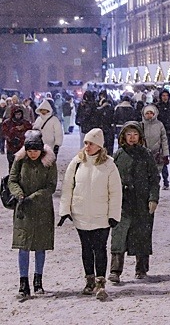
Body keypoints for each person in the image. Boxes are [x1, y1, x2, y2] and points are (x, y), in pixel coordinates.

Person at [58, 128, 122, 300]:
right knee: (86, 249)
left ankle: (101, 283)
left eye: (91, 143)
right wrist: (65, 210)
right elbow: (67, 187)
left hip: (101, 216)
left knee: (100, 249)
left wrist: (114, 214)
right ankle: (89, 280)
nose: (87, 146)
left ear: (99, 146)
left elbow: (115, 192)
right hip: (81, 214)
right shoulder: (77, 162)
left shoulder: (109, 164)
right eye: (86, 143)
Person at [8, 130, 57, 299]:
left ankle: (38, 280)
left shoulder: (49, 162)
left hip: (42, 209)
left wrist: (35, 197)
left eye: (35, 151)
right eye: (30, 151)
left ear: (41, 150)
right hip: (23, 209)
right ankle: (23, 282)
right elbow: (12, 180)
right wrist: (19, 194)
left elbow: (51, 186)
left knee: (40, 246)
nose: (32, 154)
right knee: (23, 246)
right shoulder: (20, 160)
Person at [109, 121, 160, 282]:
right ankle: (115, 270)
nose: (132, 138)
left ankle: (142, 268)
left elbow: (154, 179)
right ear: (123, 136)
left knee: (142, 235)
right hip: (122, 203)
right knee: (119, 235)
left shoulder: (146, 154)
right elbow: (110, 178)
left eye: (135, 134)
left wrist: (153, 198)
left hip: (141, 202)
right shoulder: (118, 155)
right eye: (129, 134)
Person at [156, 89, 170, 190]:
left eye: (166, 95)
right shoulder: (157, 107)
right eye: (163, 95)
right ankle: (165, 180)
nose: (165, 97)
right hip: (161, 135)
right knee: (163, 158)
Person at [141, 104, 169, 176]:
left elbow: (164, 139)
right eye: (147, 113)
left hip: (157, 154)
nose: (149, 115)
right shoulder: (141, 125)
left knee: (156, 175)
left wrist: (165, 153)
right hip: (144, 154)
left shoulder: (159, 125)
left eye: (151, 113)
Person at [2, 106, 32, 170]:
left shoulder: (25, 122)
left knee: (23, 166)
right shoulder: (7, 122)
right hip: (11, 148)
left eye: (19, 114)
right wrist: (14, 130)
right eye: (16, 114)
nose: (18, 116)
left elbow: (30, 129)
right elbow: (5, 133)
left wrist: (23, 127)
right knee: (12, 166)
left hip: (22, 148)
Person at [97, 90, 116, 156]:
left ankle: (103, 155)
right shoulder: (111, 109)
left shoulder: (100, 110)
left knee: (103, 144)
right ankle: (109, 155)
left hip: (103, 129)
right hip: (109, 129)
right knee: (109, 145)